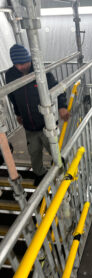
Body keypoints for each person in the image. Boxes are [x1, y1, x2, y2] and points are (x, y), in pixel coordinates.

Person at [5, 44, 70, 185]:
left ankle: (61, 172)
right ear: (14, 64)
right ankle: (39, 173)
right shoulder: (10, 75)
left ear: (30, 59)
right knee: (34, 152)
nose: (23, 66)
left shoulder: (43, 72)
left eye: (25, 62)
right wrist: (18, 113)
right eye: (19, 64)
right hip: (29, 124)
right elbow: (12, 96)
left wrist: (62, 107)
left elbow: (57, 89)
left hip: (47, 122)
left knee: (54, 149)